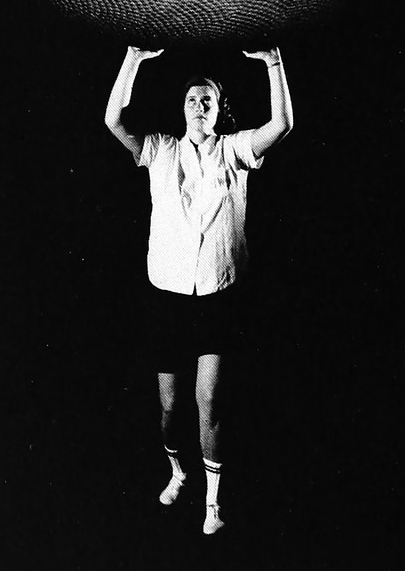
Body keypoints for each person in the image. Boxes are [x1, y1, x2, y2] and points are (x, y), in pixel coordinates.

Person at [104, 45, 293, 535]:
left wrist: (273, 62)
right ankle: (178, 472)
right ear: (182, 108)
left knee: (209, 400)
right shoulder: (160, 150)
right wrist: (133, 59)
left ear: (218, 108)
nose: (199, 106)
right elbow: (113, 121)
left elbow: (282, 125)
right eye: (192, 99)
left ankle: (212, 503)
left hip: (218, 296)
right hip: (166, 297)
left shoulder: (235, 150)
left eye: (207, 99)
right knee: (170, 406)